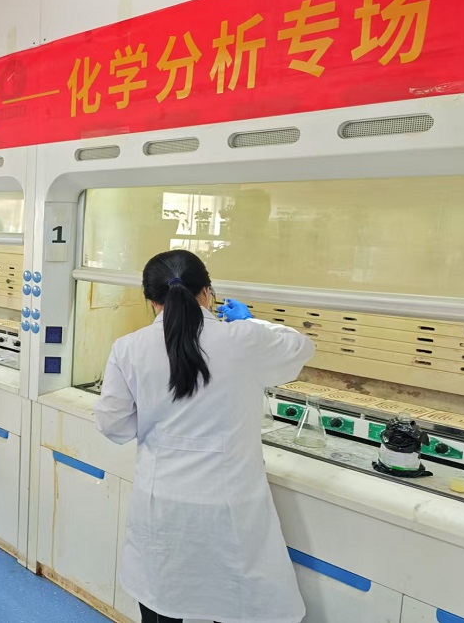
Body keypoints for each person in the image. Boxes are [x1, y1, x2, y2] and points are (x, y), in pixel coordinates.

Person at [94, 250, 314, 623]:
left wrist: (155, 419)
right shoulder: (244, 339)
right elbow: (300, 347)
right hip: (231, 505)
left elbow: (113, 425)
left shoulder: (128, 348)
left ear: (151, 300)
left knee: (162, 601)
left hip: (163, 505)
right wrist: (251, 321)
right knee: (232, 602)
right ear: (207, 292)